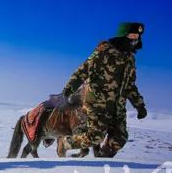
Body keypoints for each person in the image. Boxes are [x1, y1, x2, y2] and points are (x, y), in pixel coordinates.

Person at [58, 22, 148, 157]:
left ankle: (101, 160)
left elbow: (130, 85)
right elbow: (83, 71)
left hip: (117, 107)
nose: (134, 39)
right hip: (98, 104)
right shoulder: (104, 52)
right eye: (132, 35)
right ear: (122, 36)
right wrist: (67, 91)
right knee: (94, 137)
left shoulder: (130, 59)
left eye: (137, 36)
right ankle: (65, 142)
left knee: (120, 138)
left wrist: (139, 105)